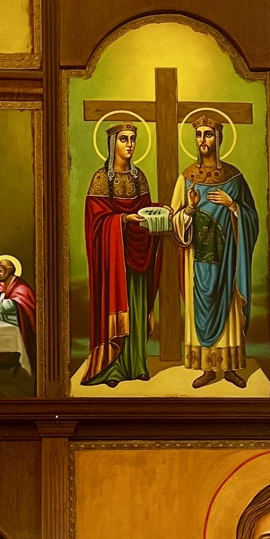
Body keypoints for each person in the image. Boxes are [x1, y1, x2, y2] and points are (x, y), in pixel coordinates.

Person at [169, 113, 259, 388]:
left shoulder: (234, 178)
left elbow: (252, 218)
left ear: (218, 138)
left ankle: (230, 367)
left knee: (229, 308)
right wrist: (191, 209)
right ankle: (208, 368)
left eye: (208, 134)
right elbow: (175, 219)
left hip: (229, 261)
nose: (203, 140)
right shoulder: (186, 178)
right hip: (199, 260)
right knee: (202, 305)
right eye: (199, 135)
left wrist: (234, 205)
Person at [78, 120, 161, 387]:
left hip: (138, 255)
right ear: (113, 143)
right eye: (124, 139)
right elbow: (96, 221)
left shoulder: (140, 177)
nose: (129, 144)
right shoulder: (101, 179)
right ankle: (110, 369)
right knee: (115, 306)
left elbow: (146, 210)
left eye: (132, 139)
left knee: (136, 308)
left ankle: (136, 364)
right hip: (113, 259)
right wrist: (124, 220)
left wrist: (161, 213)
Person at [0, 255, 37, 357]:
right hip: (2, 323)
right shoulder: (2, 285)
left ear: (8, 271)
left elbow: (19, 305)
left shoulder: (21, 287)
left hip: (16, 325)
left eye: (0, 271)